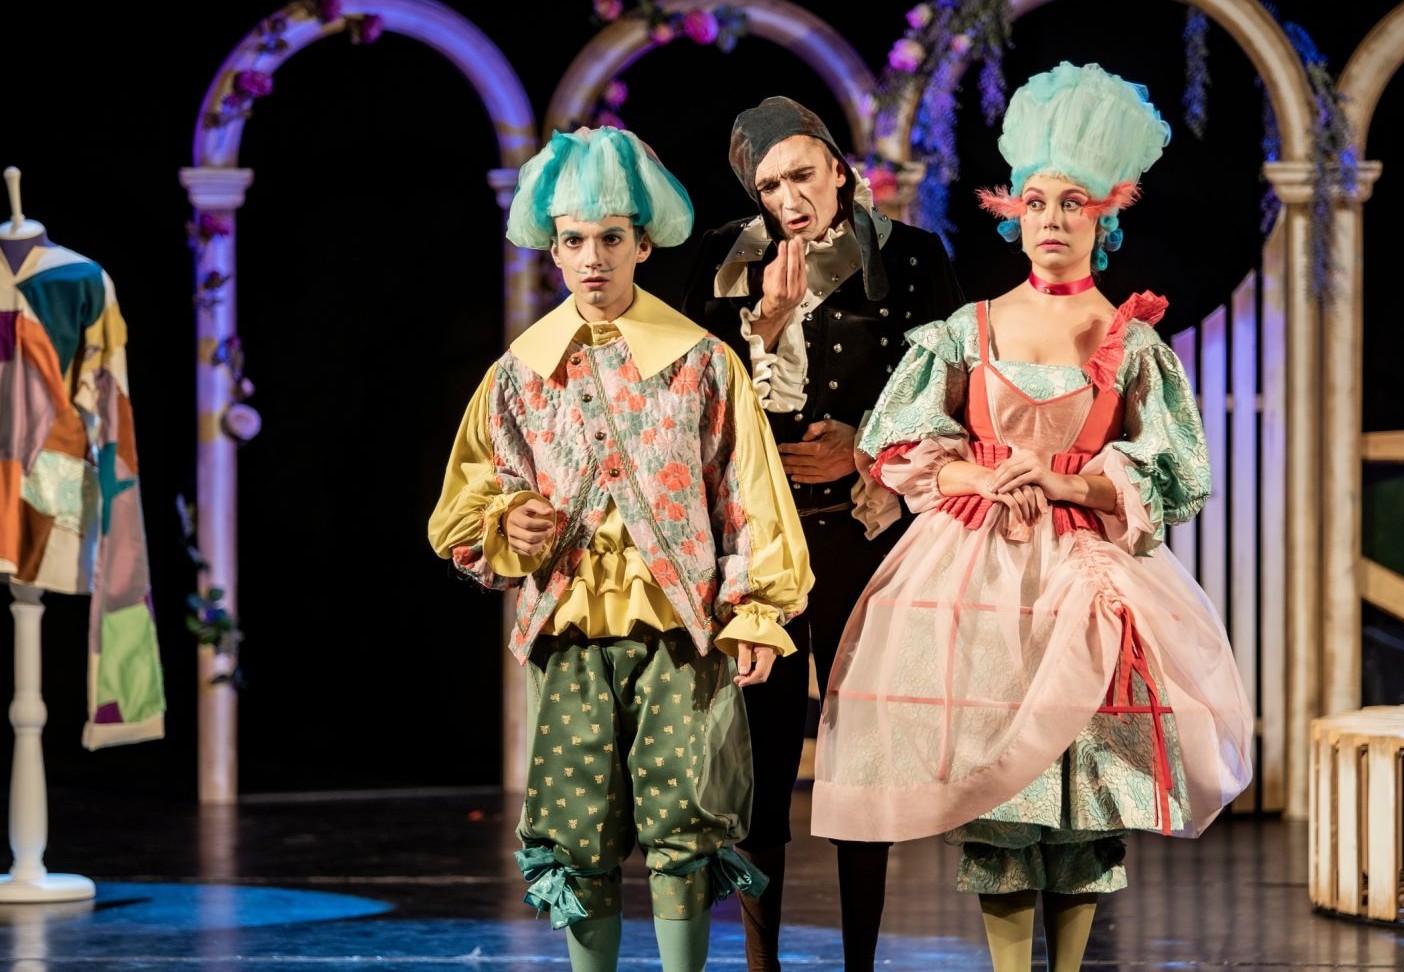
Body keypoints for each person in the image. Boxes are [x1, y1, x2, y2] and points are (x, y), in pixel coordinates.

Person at [810, 62, 1255, 972]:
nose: (1052, 219)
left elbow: (1176, 475)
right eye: (1037, 201)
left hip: (1086, 581)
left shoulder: (1132, 343)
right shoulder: (969, 329)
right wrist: (980, 474)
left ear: (1106, 216)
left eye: (1073, 203)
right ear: (1013, 212)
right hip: (981, 578)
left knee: (1084, 791)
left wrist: (1064, 483)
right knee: (1003, 801)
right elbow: (895, 443)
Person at [427, 125, 813, 972]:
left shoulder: (701, 363)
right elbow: (469, 499)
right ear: (553, 250)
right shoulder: (520, 374)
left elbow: (745, 493)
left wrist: (756, 608)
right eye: (574, 240)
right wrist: (506, 523)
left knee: (685, 826)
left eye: (610, 238)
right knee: (576, 830)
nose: (592, 258)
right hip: (567, 632)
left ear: (643, 243)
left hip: (680, 631)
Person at [679, 96, 965, 971]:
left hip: (863, 534)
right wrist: (764, 325)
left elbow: (950, 394)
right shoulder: (727, 263)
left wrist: (865, 445)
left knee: (860, 753)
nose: (788, 199)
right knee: (760, 753)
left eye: (802, 175)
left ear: (839, 168)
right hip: (762, 543)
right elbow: (697, 402)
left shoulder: (912, 258)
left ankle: (861, 961)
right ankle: (761, 961)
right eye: (769, 186)